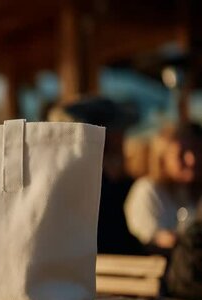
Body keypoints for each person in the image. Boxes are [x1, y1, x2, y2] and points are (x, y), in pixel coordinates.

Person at [48, 97, 144, 255]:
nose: (124, 140)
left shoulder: (62, 181)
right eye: (119, 132)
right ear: (103, 138)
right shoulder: (98, 188)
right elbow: (115, 241)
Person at [124, 123, 202, 253]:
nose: (192, 160)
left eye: (196, 150)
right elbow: (154, 239)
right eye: (182, 154)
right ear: (162, 158)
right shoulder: (148, 191)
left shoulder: (194, 191)